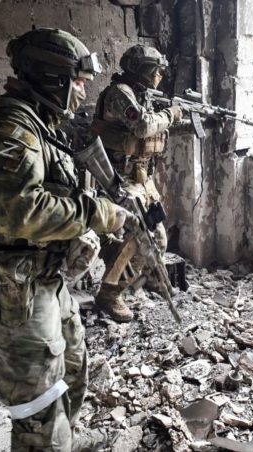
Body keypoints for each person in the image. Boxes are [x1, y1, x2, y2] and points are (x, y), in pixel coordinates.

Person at [0, 28, 135, 451]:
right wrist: (96, 214)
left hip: (45, 281)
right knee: (39, 415)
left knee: (73, 374)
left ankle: (66, 441)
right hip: (13, 296)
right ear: (55, 78)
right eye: (80, 81)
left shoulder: (37, 122)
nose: (84, 92)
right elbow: (22, 212)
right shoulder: (8, 128)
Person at [90, 44, 184, 322]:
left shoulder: (141, 95)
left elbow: (152, 131)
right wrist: (171, 114)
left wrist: (179, 117)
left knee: (156, 236)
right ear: (141, 70)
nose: (159, 76)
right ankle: (109, 294)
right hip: (117, 178)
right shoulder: (120, 94)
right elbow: (142, 127)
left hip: (141, 177)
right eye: (155, 71)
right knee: (150, 237)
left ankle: (149, 277)